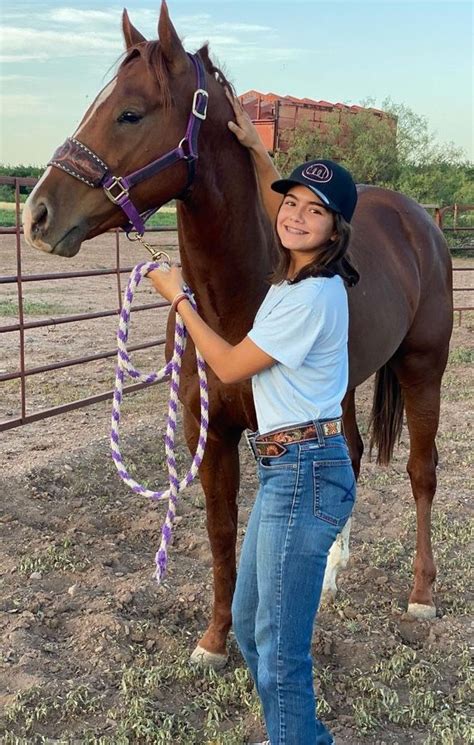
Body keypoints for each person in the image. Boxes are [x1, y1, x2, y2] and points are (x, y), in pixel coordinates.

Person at [148, 93, 359, 745]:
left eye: (314, 210)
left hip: (304, 472)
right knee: (247, 624)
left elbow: (232, 366)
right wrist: (259, 151)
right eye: (291, 203)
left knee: (280, 651)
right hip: (283, 470)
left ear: (335, 228)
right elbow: (275, 204)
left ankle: (300, 738)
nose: (294, 214)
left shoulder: (310, 297)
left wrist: (179, 298)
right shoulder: (295, 274)